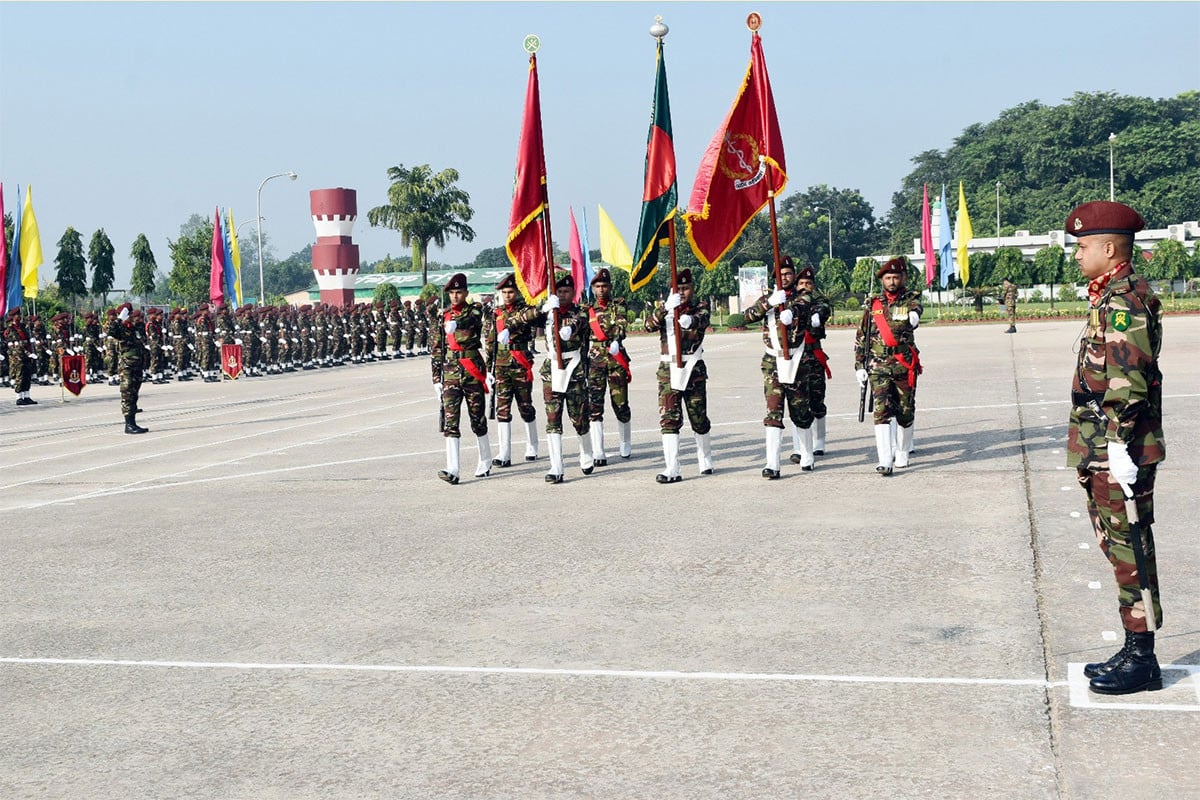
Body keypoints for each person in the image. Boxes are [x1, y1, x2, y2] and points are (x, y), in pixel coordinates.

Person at [1065, 201, 1165, 695]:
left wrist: (1121, 445)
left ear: (1109, 248)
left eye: (1082, 246)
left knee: (1131, 548)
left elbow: (1128, 383)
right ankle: (1132, 643)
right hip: (1102, 443)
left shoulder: (1124, 302)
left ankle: (1143, 659)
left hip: (1118, 445)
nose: (1077, 254)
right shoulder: (1109, 295)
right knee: (1117, 544)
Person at [743, 257, 815, 477]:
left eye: (788, 274)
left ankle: (807, 454)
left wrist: (791, 310)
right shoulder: (768, 298)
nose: (784, 278)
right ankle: (772, 463)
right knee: (773, 412)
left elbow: (804, 305)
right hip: (773, 361)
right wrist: (770, 303)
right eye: (780, 274)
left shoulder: (802, 295)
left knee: (800, 411)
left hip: (796, 359)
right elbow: (747, 317)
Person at [854, 256, 923, 475]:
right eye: (888, 278)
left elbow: (916, 309)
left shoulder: (910, 299)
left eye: (895, 277)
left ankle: (902, 451)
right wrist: (859, 366)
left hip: (903, 364)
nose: (892, 282)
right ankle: (884, 459)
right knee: (881, 411)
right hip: (878, 366)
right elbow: (862, 337)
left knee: (905, 412)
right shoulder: (873, 304)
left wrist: (914, 316)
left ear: (902, 278)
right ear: (882, 280)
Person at [644, 268, 712, 483]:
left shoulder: (700, 306)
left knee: (698, 418)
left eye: (685, 288)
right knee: (669, 419)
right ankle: (672, 468)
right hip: (668, 369)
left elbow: (702, 319)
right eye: (678, 288)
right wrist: (665, 308)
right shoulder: (664, 308)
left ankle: (705, 458)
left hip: (693, 369)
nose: (682, 292)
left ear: (693, 289)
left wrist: (689, 320)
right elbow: (648, 325)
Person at [431, 273, 492, 484]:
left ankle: (485, 459)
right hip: (450, 372)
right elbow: (437, 349)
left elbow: (472, 319)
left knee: (477, 419)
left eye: (459, 292)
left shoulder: (474, 310)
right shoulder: (443, 317)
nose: (455, 296)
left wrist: (456, 323)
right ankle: (453, 469)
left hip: (471, 369)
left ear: (466, 293)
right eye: (452, 293)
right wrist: (436, 378)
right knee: (451, 421)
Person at [485, 273, 539, 468]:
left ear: (517, 292)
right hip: (501, 365)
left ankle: (532, 445)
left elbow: (534, 315)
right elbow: (490, 342)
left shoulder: (524, 310)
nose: (507, 295)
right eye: (505, 292)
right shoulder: (496, 313)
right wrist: (488, 369)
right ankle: (504, 453)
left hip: (520, 363)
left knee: (525, 406)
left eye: (510, 292)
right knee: (502, 409)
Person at [585, 268, 633, 465]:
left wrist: (615, 339)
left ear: (610, 287)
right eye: (597, 286)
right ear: (593, 288)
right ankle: (598, 451)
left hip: (615, 359)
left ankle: (625, 442)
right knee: (595, 406)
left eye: (604, 286)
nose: (601, 289)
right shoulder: (587, 309)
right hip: (595, 361)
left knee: (620, 404)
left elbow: (621, 326)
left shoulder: (618, 305)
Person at [795, 265, 834, 457]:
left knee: (817, 401)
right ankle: (800, 446)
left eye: (808, 283)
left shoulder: (819, 301)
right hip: (796, 357)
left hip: (813, 356)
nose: (804, 286)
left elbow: (823, 308)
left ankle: (819, 442)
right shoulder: (793, 303)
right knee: (798, 402)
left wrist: (817, 315)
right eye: (801, 283)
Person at [107, 302, 149, 433]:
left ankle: (133, 423)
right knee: (128, 394)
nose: (131, 316)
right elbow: (111, 331)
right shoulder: (120, 329)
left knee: (134, 394)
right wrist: (120, 319)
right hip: (127, 366)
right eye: (129, 314)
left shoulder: (134, 328)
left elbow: (141, 341)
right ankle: (129, 425)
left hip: (137, 365)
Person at [4, 308, 37, 406]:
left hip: (26, 354)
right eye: (17, 315)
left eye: (20, 315)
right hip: (17, 355)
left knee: (27, 375)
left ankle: (26, 396)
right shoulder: (10, 329)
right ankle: (19, 397)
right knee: (20, 375)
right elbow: (17, 344)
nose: (19, 317)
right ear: (13, 317)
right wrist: (28, 353)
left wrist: (31, 340)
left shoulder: (22, 327)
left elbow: (26, 339)